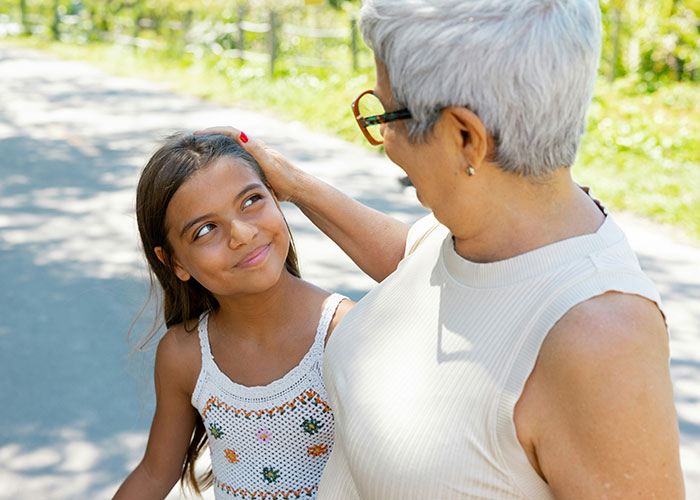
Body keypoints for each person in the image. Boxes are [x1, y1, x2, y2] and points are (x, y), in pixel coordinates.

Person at [196, 0, 685, 498]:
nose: (385, 139)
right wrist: (294, 184)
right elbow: (420, 269)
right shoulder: (485, 230)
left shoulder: (601, 344)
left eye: (387, 114)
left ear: (465, 137)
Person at [112, 133, 352, 500]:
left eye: (252, 200)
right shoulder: (185, 354)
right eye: (205, 230)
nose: (242, 234)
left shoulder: (343, 332)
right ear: (175, 262)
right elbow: (154, 474)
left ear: (276, 197)